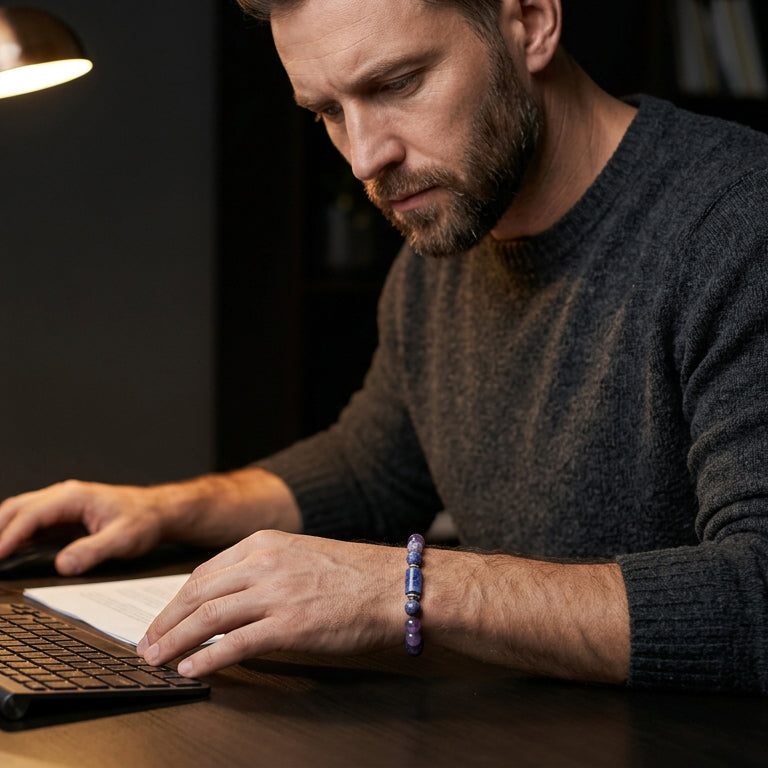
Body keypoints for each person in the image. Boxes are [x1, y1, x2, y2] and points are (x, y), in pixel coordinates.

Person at [1, 0, 768, 692]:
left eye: (398, 83)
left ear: (530, 21)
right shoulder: (445, 250)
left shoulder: (739, 225)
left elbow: (756, 597)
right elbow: (373, 469)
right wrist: (165, 509)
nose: (366, 157)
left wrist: (403, 591)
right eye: (327, 112)